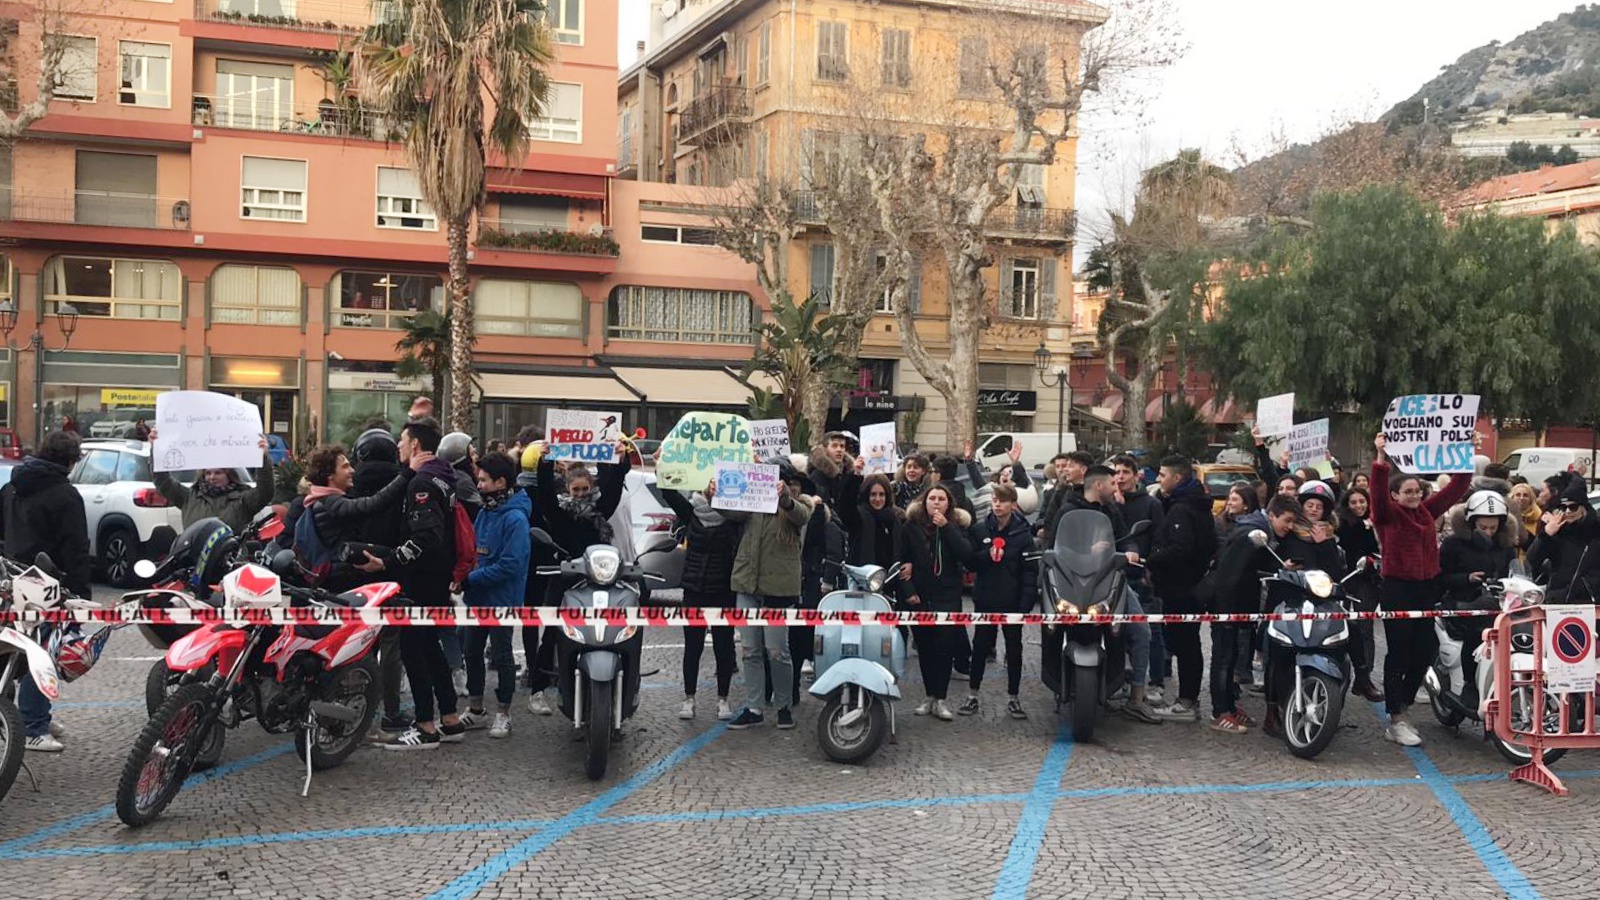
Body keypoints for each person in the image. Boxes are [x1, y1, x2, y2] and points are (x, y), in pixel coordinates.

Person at [358, 418, 468, 750]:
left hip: (421, 580)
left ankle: (425, 727)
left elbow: (427, 536)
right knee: (431, 647)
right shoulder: (444, 477)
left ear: (416, 444)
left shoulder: (421, 482)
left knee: (414, 650)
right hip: (437, 577)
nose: (400, 447)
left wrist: (387, 561)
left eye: (403, 441)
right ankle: (449, 718)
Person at [1370, 433, 1472, 747]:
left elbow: (1457, 489)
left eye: (1417, 490)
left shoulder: (1427, 511)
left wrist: (1465, 454)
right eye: (1408, 491)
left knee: (1426, 649)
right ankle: (1395, 718)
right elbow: (1376, 494)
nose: (1414, 495)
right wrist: (1380, 457)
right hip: (1398, 589)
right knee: (1398, 653)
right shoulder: (1387, 515)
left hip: (1427, 589)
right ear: (1396, 496)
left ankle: (1404, 704)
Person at [0, 431, 91, 752]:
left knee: (14, 650)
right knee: (44, 654)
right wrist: (81, 592)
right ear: (69, 460)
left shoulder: (11, 486)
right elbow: (76, 547)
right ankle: (32, 726)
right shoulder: (65, 495)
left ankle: (29, 715)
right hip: (49, 584)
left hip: (11, 579)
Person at [725, 458, 815, 731]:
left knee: (777, 651)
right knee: (750, 650)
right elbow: (730, 513)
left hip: (778, 588)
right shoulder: (752, 500)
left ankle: (784, 705)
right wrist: (714, 494)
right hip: (747, 583)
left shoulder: (803, 501)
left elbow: (801, 516)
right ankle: (754, 707)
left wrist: (785, 499)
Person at [347, 425, 417, 742]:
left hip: (354, 574)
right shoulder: (405, 482)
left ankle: (353, 712)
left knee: (354, 646)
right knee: (391, 646)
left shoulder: (350, 484)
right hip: (393, 571)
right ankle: (392, 711)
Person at [1210, 495, 1300, 734]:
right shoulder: (1251, 534)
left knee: (1232, 660)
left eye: (1293, 522)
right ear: (1272, 515)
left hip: (1240, 608)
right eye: (1287, 520)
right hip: (1228, 608)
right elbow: (1230, 574)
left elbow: (1252, 569)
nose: (1289, 527)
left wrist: (1279, 569)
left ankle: (1229, 704)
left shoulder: (1259, 533)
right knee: (1223, 660)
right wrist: (1227, 614)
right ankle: (1220, 712)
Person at [455, 453, 530, 739]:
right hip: (478, 598)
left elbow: (512, 564)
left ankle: (504, 712)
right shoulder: (487, 512)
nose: (479, 484)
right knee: (471, 651)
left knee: (502, 655)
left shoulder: (515, 519)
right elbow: (474, 551)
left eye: (484, 480)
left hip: (502, 600)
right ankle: (476, 710)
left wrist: (470, 578)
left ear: (501, 482)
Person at [661, 479, 743, 721]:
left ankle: (723, 699)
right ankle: (689, 699)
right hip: (694, 588)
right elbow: (668, 492)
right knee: (693, 646)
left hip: (723, 588)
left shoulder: (733, 515)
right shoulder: (691, 511)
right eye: (707, 482)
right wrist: (663, 465)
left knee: (724, 646)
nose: (711, 486)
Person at [1144, 455, 1218, 722]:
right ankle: (1188, 699)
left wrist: (1151, 560)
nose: (1159, 479)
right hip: (1189, 585)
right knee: (1187, 643)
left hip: (1182, 587)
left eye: (1162, 475)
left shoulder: (1182, 509)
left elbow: (1181, 548)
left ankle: (1187, 702)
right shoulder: (1193, 505)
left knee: (1186, 645)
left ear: (1177, 478)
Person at [898, 483, 973, 721]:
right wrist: (908, 590)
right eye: (932, 498)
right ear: (925, 502)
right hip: (921, 595)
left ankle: (940, 697)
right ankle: (929, 695)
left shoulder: (957, 526)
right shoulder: (911, 527)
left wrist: (947, 528)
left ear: (948, 503)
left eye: (941, 499)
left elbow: (966, 555)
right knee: (926, 647)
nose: (937, 502)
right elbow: (901, 560)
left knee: (944, 647)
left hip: (947, 595)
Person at [961, 483, 1036, 719]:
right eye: (994, 500)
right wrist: (987, 555)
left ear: (1013, 505)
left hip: (1013, 602)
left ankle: (1014, 697)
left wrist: (1025, 606)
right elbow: (970, 562)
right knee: (981, 647)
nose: (997, 505)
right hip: (986, 599)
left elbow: (1030, 572)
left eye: (1002, 501)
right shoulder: (981, 530)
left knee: (1014, 650)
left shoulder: (1023, 534)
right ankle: (972, 694)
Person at [1439, 491, 1516, 708]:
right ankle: (1469, 684)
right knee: (1478, 632)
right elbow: (1440, 577)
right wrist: (1466, 578)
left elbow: (1515, 572)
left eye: (1494, 527)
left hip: (1500, 604)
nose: (1489, 532)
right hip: (1462, 602)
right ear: (1471, 523)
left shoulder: (1506, 547)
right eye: (1483, 527)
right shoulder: (1454, 544)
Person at [1112, 454, 1167, 706]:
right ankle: (1120, 678)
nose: (1120, 477)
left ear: (1136, 475)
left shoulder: (1150, 504)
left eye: (1125, 472)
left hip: (1142, 575)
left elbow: (1159, 537)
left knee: (1150, 632)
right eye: (1117, 472)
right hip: (1116, 575)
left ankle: (1155, 682)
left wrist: (1151, 569)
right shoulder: (1111, 504)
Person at [149, 434, 276, 531]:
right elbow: (163, 482)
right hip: (195, 560)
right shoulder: (189, 497)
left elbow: (265, 491)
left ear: (229, 475)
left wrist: (263, 458)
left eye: (218, 473)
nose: (212, 477)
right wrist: (156, 450)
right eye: (208, 473)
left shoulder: (243, 499)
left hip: (231, 561)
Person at [1336, 486, 1383, 702]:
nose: (1358, 506)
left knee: (1365, 627)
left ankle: (1364, 677)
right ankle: (1339, 670)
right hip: (1347, 578)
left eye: (1362, 502)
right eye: (1353, 502)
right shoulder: (1342, 524)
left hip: (1367, 580)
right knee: (1340, 625)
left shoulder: (1376, 522)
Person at [1527, 478, 1600, 602]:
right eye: (1563, 507)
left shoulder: (1595, 533)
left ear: (1583, 508)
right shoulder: (1557, 533)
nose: (1567, 511)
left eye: (1573, 507)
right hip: (1557, 602)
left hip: (1589, 603)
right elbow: (1532, 561)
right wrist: (1545, 535)